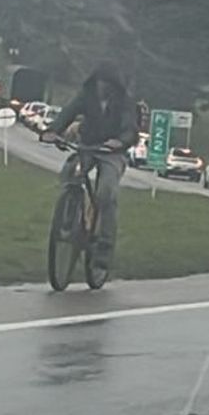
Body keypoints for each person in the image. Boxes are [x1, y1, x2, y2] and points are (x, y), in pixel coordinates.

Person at [40, 62, 138, 269]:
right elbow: (67, 113)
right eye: (100, 83)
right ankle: (69, 214)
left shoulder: (125, 102)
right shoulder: (86, 96)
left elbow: (130, 129)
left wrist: (120, 142)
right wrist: (52, 130)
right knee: (70, 173)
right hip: (87, 145)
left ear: (114, 85)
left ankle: (104, 244)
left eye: (107, 84)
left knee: (106, 193)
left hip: (112, 152)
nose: (102, 88)